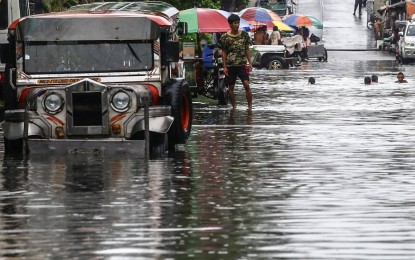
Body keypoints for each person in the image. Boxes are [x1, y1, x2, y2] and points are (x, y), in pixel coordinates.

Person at [220, 14, 253, 110]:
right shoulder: (225, 37)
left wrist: (250, 63)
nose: (237, 25)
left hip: (242, 64)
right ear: (230, 24)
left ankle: (250, 107)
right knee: (231, 87)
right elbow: (224, 52)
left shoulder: (244, 35)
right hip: (230, 65)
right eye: (235, 23)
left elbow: (247, 49)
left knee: (246, 85)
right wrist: (225, 66)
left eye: (238, 23)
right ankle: (234, 107)